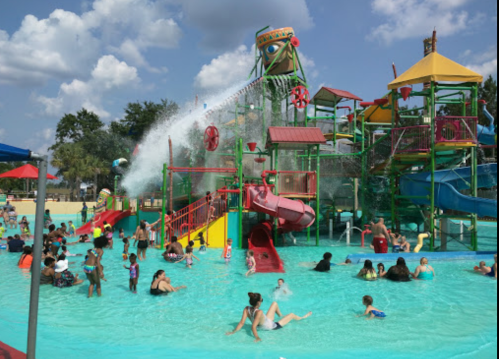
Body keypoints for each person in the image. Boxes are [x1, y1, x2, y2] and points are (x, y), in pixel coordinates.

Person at [226, 293, 312, 342]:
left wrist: (233, 332)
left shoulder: (246, 308)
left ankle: (281, 316)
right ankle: (302, 318)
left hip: (266, 321)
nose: (262, 301)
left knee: (274, 303)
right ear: (259, 302)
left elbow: (241, 323)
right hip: (273, 326)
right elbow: (253, 326)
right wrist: (257, 337)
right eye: (262, 300)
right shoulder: (259, 312)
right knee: (292, 315)